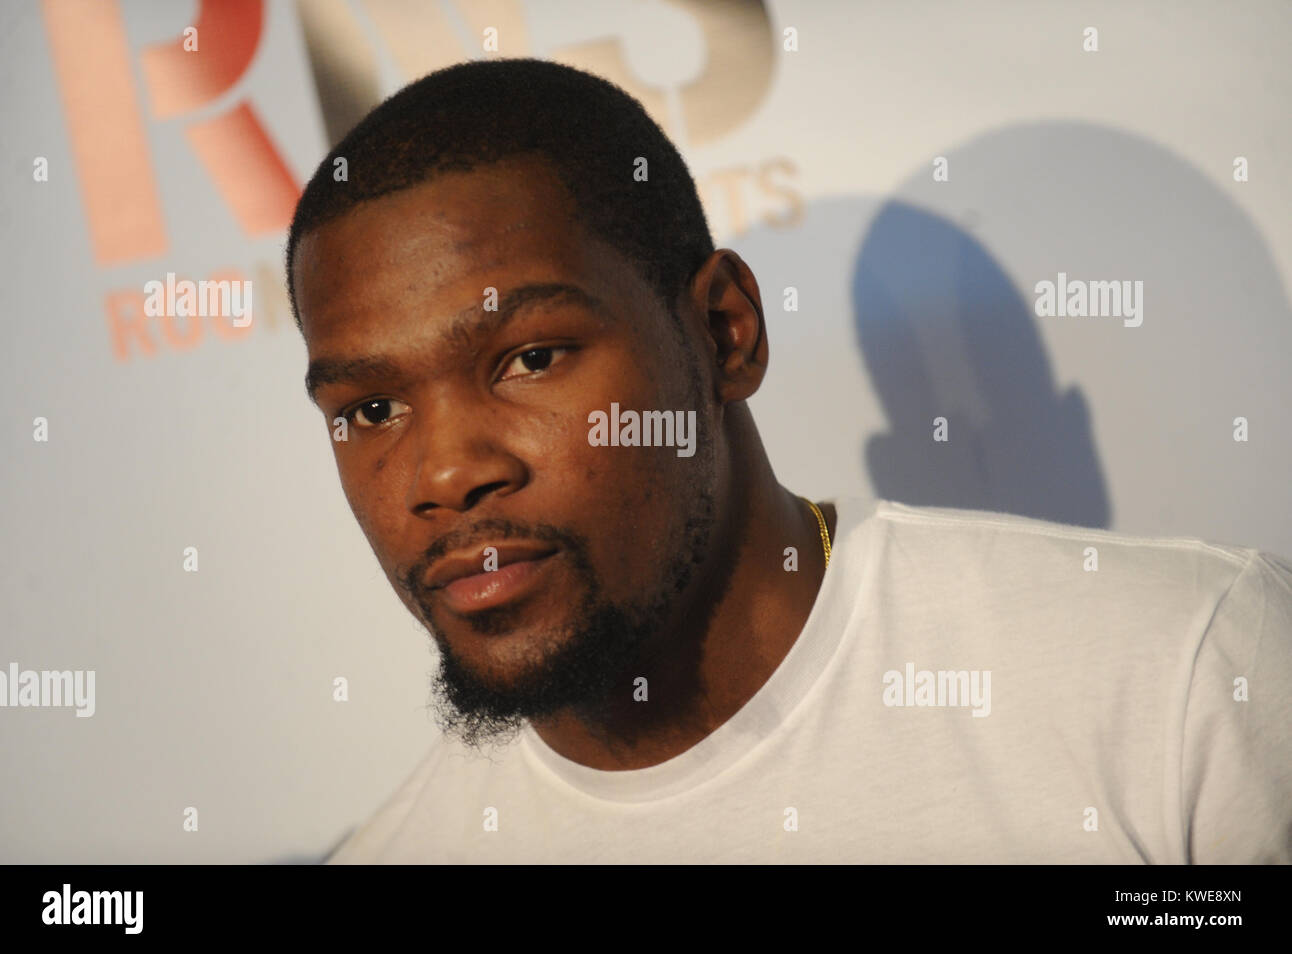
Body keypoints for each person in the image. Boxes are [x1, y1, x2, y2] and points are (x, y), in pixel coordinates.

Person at [286, 58, 1292, 863]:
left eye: (532, 358)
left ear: (725, 334)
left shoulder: (1186, 680)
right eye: (371, 408)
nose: (445, 474)